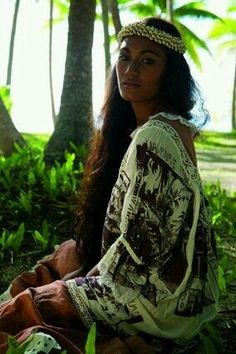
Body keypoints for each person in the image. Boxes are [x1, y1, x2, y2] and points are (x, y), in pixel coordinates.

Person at [0, 17, 219, 353]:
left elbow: (141, 254)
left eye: (147, 61)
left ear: (169, 73)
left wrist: (81, 282)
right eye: (124, 56)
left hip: (153, 302)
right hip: (169, 297)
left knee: (30, 306)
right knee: (68, 253)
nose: (130, 69)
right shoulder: (167, 126)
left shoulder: (155, 136)